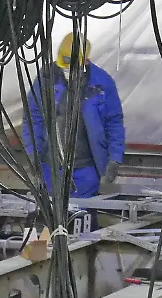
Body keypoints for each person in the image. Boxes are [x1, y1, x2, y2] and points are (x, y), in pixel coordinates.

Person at [23, 34, 126, 212]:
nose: (66, 71)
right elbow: (33, 117)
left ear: (85, 61)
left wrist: (114, 158)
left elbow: (114, 122)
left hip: (86, 170)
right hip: (51, 168)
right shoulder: (46, 79)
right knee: (51, 221)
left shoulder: (101, 83)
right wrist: (32, 153)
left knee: (83, 222)